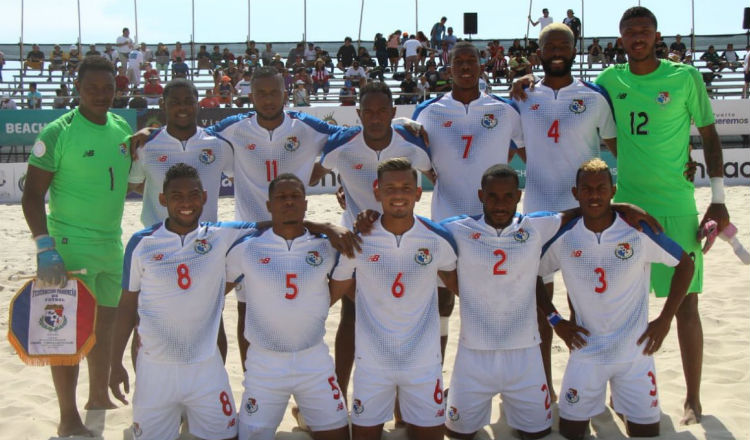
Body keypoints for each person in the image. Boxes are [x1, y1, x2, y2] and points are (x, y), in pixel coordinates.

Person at [594, 6, 730, 425]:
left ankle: (693, 398)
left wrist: (719, 198)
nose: (637, 37)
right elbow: (606, 133)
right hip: (630, 209)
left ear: (656, 35)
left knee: (687, 305)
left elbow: (708, 136)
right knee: (622, 306)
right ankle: (622, 392)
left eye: (644, 30)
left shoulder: (684, 77)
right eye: (629, 31)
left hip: (676, 206)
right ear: (620, 39)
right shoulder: (608, 81)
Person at [539, 158, 694, 439]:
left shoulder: (638, 230)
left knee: (646, 433)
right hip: (586, 352)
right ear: (576, 193)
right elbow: (532, 274)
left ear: (613, 191)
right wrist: (555, 319)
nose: (594, 195)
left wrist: (665, 319)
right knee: (571, 432)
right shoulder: (564, 236)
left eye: (601, 188)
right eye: (586, 189)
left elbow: (685, 264)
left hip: (635, 353)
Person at [21, 55, 133, 437]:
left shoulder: (121, 127)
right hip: (69, 247)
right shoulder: (58, 132)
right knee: (65, 332)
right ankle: (68, 418)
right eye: (93, 88)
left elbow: (127, 182)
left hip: (111, 243)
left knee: (105, 324)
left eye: (108, 88)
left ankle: (97, 397)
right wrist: (44, 248)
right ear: (78, 89)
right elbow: (32, 195)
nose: (101, 95)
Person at [511, 23, 617, 401]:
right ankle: (545, 390)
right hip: (538, 214)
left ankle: (585, 386)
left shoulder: (594, 97)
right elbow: (522, 148)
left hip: (582, 216)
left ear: (575, 51)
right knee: (540, 305)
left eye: (564, 45)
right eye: (549, 45)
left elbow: (617, 149)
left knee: (584, 303)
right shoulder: (522, 96)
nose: (557, 50)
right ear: (538, 52)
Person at [311, 82, 433, 402]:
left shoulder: (411, 143)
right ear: (358, 113)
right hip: (359, 242)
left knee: (399, 317)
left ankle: (401, 399)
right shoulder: (342, 144)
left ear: (393, 112)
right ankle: (337, 395)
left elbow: (439, 177)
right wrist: (342, 191)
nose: (376, 118)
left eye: (383, 111)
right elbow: (309, 177)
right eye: (369, 112)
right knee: (351, 318)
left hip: (400, 243)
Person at [110, 164, 250, 440]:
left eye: (193, 194)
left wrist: (323, 227)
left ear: (205, 197)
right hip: (155, 371)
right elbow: (127, 306)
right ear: (162, 199)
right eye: (176, 195)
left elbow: (274, 226)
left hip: (206, 369)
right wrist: (115, 363)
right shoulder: (142, 243)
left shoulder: (221, 235)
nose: (186, 202)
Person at [330, 158, 458, 440]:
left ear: (418, 192)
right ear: (377, 192)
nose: (398, 195)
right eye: (389, 188)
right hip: (372, 363)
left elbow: (459, 287)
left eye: (405, 187)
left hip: (423, 362)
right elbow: (334, 292)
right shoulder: (359, 239)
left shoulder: (437, 238)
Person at [414, 40, 524, 359]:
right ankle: (435, 372)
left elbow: (519, 147)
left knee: (492, 299)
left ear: (480, 67)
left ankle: (493, 367)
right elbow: (412, 153)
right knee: (443, 300)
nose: (464, 67)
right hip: (446, 221)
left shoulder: (503, 110)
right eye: (458, 62)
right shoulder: (428, 112)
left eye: (470, 61)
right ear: (449, 69)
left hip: (492, 223)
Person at [226, 174, 349, 440]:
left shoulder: (327, 246)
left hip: (314, 359)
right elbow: (215, 292)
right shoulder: (248, 248)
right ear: (269, 206)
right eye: (281, 197)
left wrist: (317, 305)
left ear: (305, 204)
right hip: (265, 364)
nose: (288, 202)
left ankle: (305, 416)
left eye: (294, 197)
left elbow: (344, 282)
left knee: (339, 436)